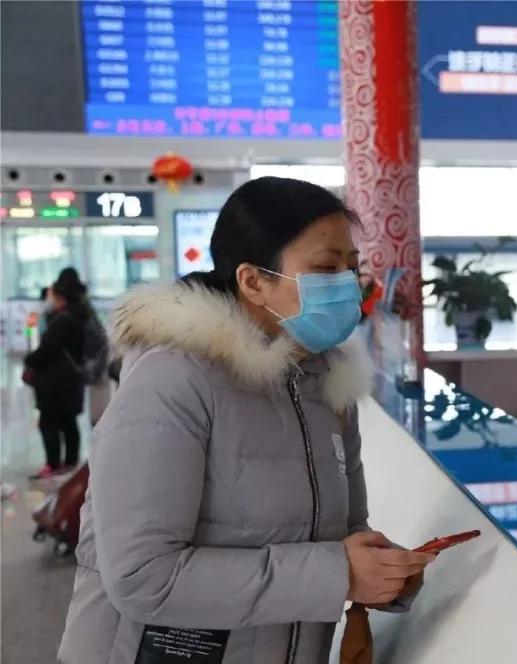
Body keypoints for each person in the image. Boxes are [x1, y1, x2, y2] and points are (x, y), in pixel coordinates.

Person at [59, 177, 434, 664]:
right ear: (254, 280)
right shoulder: (174, 381)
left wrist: (380, 572)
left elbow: (341, 537)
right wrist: (336, 574)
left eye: (351, 266)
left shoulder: (327, 385)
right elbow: (142, 576)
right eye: (325, 268)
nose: (346, 283)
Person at [23, 272, 91, 478]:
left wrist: (30, 360)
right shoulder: (80, 316)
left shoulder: (62, 321)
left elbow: (47, 350)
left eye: (51, 295)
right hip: (70, 380)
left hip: (55, 382)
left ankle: (53, 465)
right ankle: (70, 463)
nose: (48, 299)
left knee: (49, 423)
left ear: (61, 299)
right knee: (68, 422)